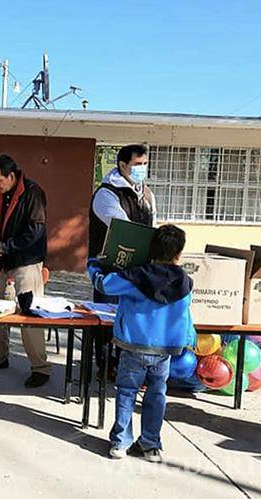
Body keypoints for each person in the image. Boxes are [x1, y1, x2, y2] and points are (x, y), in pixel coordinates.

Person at [87, 224, 195, 463]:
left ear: (150, 249)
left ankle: (120, 443)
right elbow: (186, 312)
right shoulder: (186, 283)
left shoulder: (136, 276)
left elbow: (104, 284)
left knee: (126, 392)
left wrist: (94, 265)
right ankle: (150, 445)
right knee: (157, 394)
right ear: (178, 254)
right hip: (166, 350)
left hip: (133, 346)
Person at [0, 153, 50, 388]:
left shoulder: (33, 193)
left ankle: (40, 367)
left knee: (30, 315)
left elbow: (35, 231)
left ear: (11, 176)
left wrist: (6, 246)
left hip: (27, 261)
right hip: (3, 260)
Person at [89, 144, 157, 377]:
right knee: (108, 318)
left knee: (134, 319)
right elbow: (123, 228)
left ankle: (130, 366)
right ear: (122, 165)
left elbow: (151, 225)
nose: (142, 169)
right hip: (111, 268)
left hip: (139, 268)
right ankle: (106, 365)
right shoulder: (106, 193)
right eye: (137, 165)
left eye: (145, 164)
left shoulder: (146, 194)